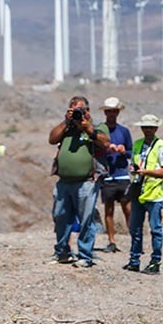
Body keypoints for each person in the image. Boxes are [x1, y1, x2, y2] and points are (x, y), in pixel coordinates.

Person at [47, 95, 114, 268]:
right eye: (73, 109)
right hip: (64, 182)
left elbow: (106, 142)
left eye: (80, 109)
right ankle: (62, 252)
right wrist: (65, 122)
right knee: (60, 217)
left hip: (86, 182)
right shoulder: (66, 129)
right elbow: (52, 139)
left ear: (87, 111)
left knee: (86, 220)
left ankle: (85, 255)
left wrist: (88, 129)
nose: (77, 113)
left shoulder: (97, 128)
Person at [124, 114, 163, 275]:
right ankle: (134, 260)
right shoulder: (137, 144)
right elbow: (134, 164)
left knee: (155, 229)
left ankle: (155, 262)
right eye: (145, 127)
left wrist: (146, 172)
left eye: (151, 127)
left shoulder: (161, 146)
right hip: (138, 192)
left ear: (156, 128)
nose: (148, 130)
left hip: (154, 194)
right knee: (135, 228)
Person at [97, 97, 133, 253]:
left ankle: (134, 239)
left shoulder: (124, 131)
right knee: (109, 210)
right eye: (109, 111)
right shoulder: (99, 131)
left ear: (117, 112)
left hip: (122, 175)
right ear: (106, 112)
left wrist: (124, 151)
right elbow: (95, 150)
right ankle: (111, 241)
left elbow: (132, 152)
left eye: (114, 111)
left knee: (128, 209)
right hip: (107, 176)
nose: (111, 114)